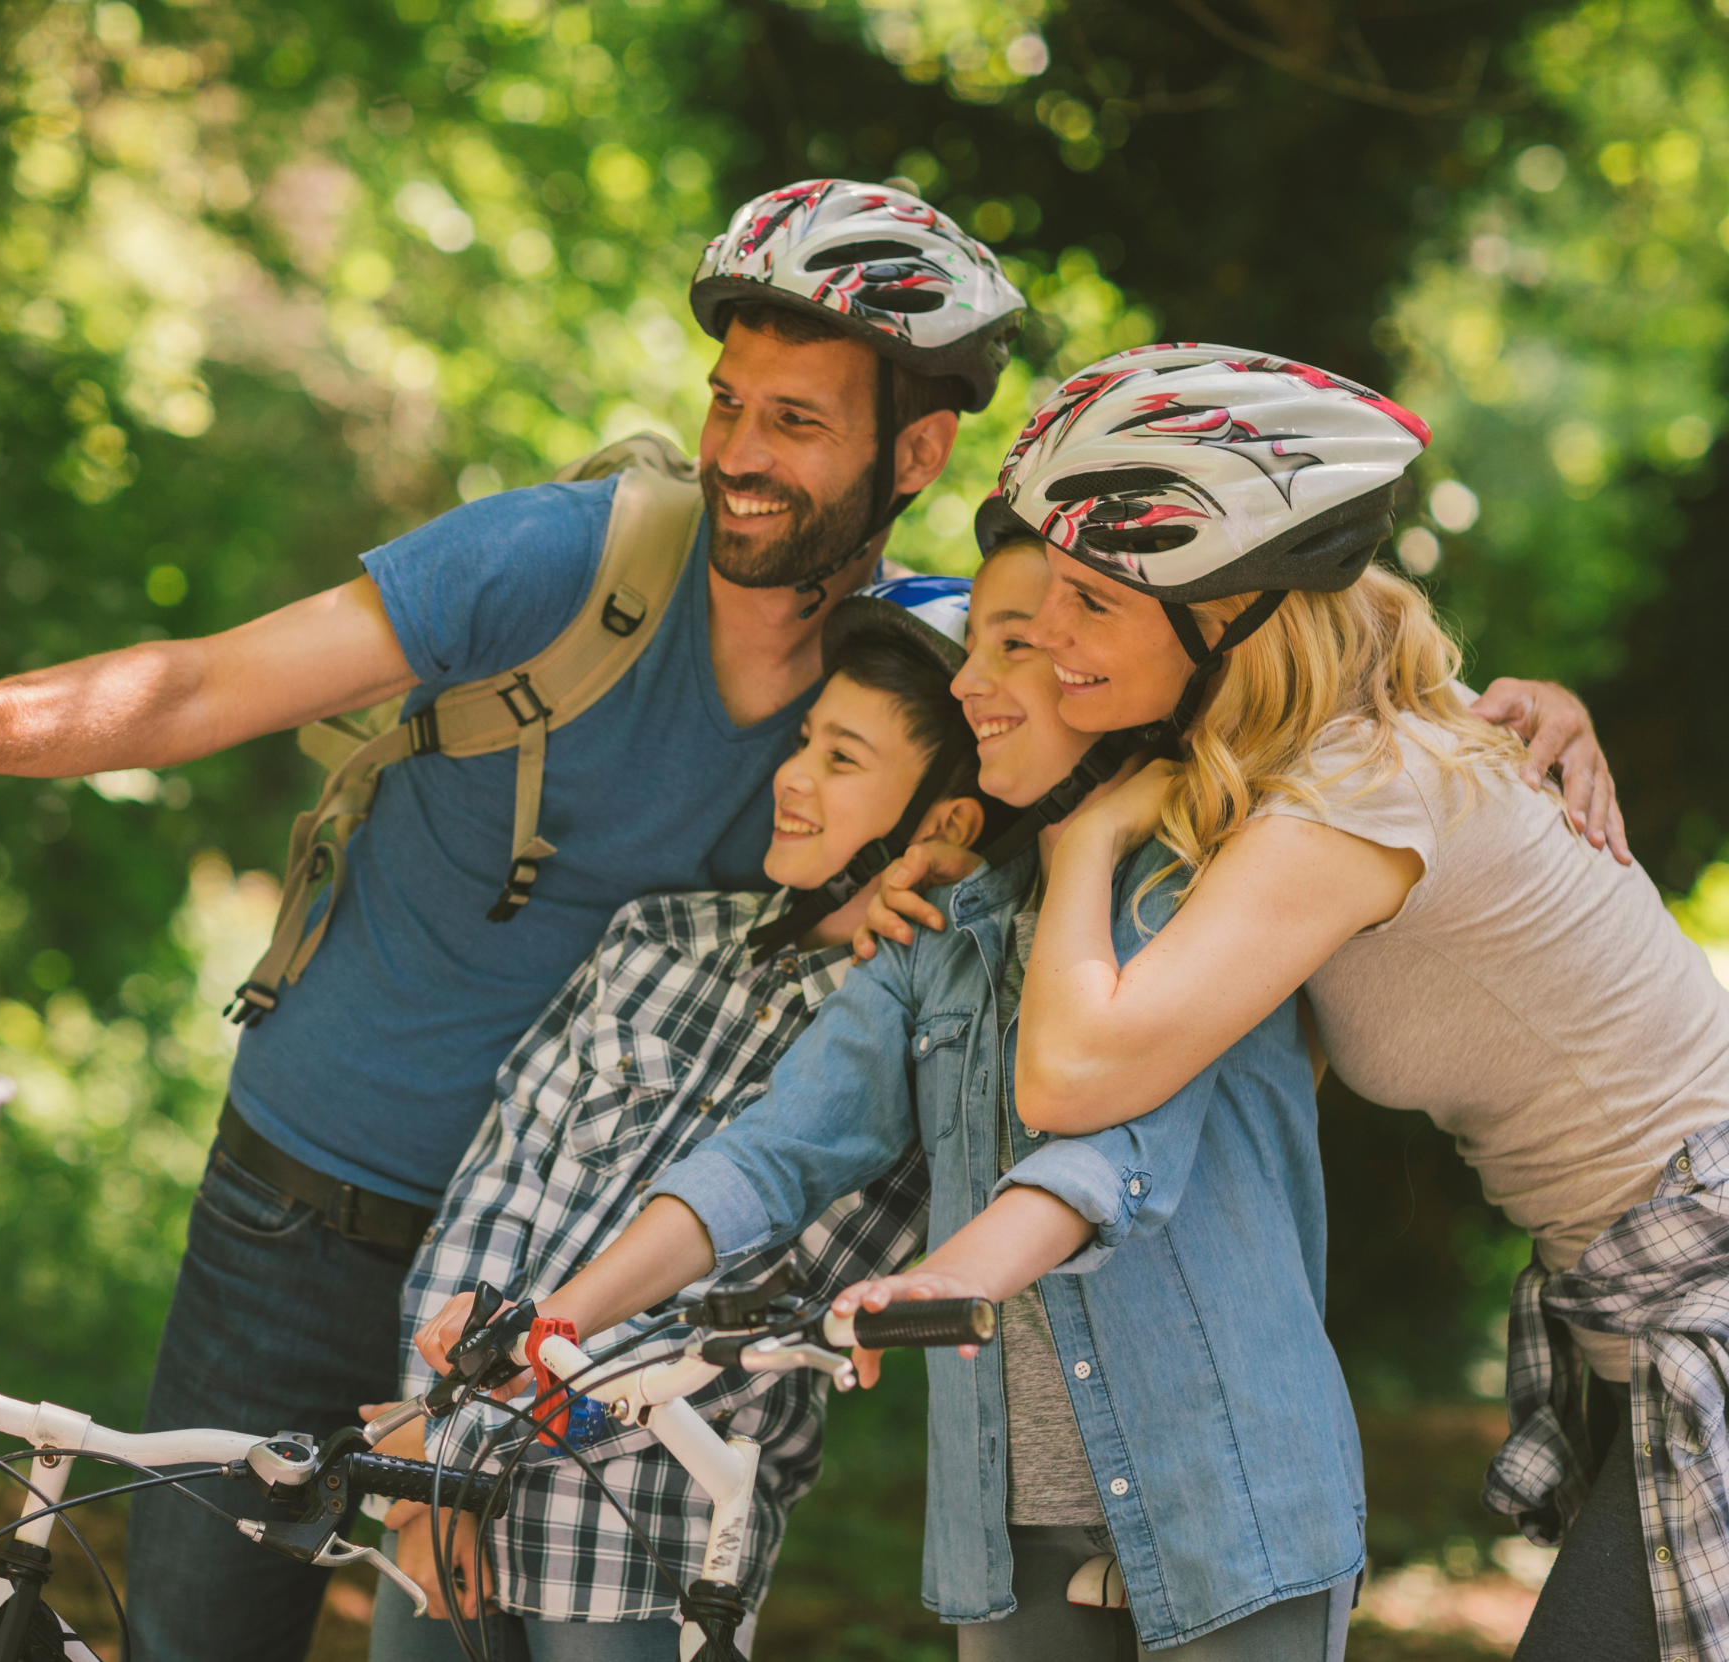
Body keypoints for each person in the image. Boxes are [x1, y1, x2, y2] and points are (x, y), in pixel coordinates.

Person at [0, 180, 1031, 1661]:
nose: (739, 454)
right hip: (305, 1207)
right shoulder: (561, 559)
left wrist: (942, 886)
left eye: (797, 422)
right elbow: (208, 682)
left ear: (918, 449)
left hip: (561, 1283)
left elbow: (1099, 823)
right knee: (198, 1638)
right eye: (728, 405)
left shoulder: (913, 690)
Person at [880, 342, 1729, 1662]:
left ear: (1234, 614)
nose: (1050, 637)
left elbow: (1072, 1077)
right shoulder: (1338, 749)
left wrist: (1085, 842)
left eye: (1098, 603)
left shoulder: (1350, 791)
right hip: (1635, 1306)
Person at [416, 536, 1362, 1658]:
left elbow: (1106, 1153)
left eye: (1015, 649)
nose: (972, 683)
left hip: (1224, 1493)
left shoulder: (1199, 894)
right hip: (1010, 1526)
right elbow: (772, 1152)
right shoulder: (940, 937)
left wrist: (947, 1277)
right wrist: (564, 1312)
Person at [365, 575, 986, 1659]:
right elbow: (496, 1190)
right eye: (804, 742)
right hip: (448, 1476)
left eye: (843, 760)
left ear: (945, 817)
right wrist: (435, 1453)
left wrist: (476, 1437)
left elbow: (740, 1310)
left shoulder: (925, 1040)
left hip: (646, 1538)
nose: (792, 777)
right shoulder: (659, 937)